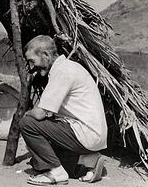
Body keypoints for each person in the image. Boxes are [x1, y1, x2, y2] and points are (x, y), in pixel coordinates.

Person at [19, 35, 107, 185]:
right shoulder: (67, 67)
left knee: (27, 123)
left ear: (46, 55)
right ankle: (87, 161)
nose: (32, 67)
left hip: (86, 133)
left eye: (32, 61)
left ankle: (56, 172)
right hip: (91, 133)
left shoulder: (63, 72)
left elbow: (39, 114)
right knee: (37, 162)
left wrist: (28, 113)